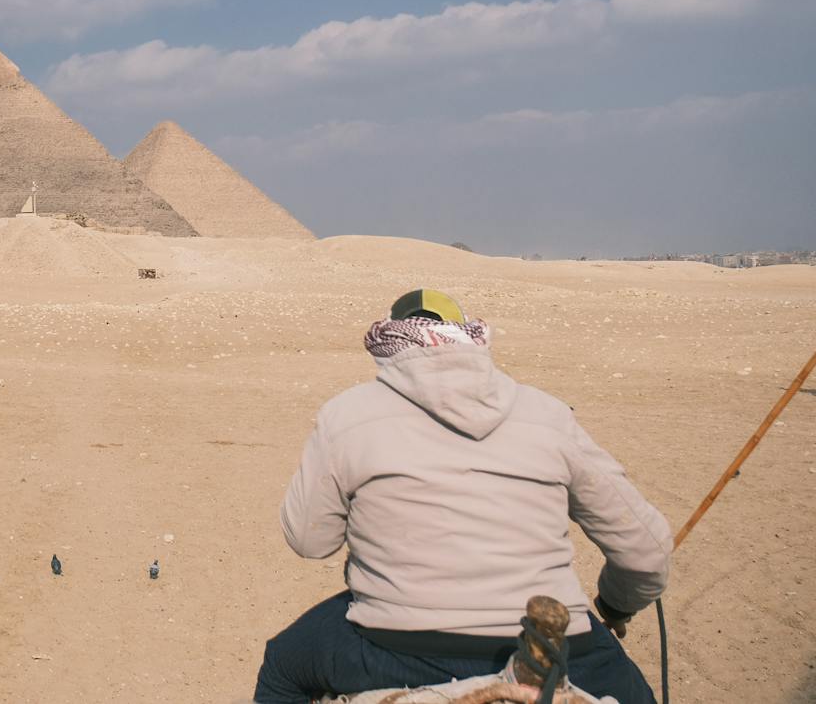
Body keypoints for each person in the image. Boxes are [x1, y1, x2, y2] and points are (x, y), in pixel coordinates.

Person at [253, 289, 669, 704]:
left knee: (282, 667)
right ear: (470, 338)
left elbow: (310, 541)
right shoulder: (549, 416)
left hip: (393, 648)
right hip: (555, 643)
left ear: (388, 339)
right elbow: (645, 552)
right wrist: (615, 605)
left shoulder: (346, 416)